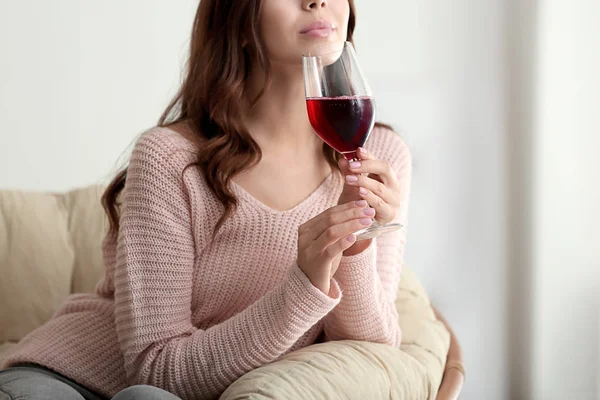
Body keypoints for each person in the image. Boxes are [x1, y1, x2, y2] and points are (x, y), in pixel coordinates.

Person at [0, 0, 464, 399]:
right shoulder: (169, 160)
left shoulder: (380, 155)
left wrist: (354, 244)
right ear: (238, 17)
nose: (317, 0)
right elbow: (155, 368)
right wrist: (301, 285)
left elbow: (373, 348)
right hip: (76, 378)